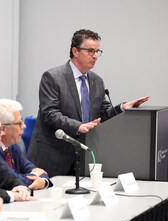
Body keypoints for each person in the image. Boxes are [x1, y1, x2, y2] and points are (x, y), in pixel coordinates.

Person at [27, 29, 149, 176]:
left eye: (98, 51)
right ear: (75, 51)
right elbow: (50, 114)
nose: (95, 56)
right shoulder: (53, 77)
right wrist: (79, 126)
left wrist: (123, 107)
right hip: (53, 156)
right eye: (91, 51)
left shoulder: (96, 81)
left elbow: (102, 114)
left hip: (82, 157)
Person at [0, 99, 53, 190]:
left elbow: (36, 170)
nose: (24, 126)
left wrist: (43, 181)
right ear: (3, 128)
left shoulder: (12, 145)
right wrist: (36, 175)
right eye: (19, 123)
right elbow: (12, 179)